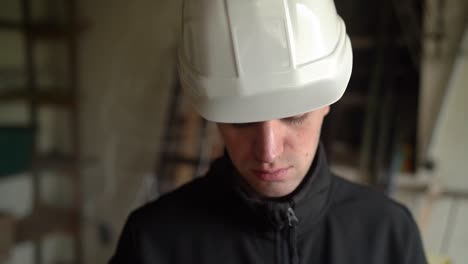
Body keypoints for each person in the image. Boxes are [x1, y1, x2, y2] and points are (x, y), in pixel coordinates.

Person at [110, 0, 428, 263]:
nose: (268, 151)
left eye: (293, 116)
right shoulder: (153, 243)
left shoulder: (389, 237)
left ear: (326, 102)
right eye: (241, 121)